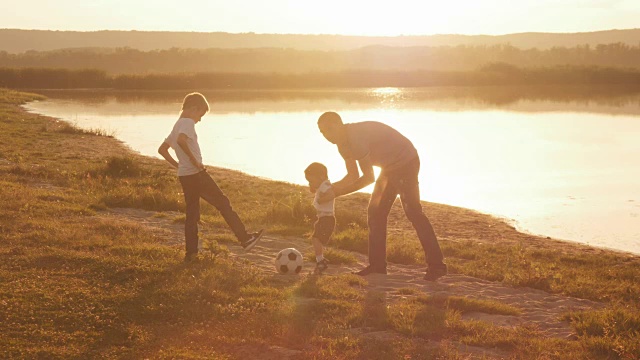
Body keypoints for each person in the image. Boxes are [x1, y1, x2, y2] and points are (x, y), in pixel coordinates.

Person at [316, 111, 447, 281]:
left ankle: (437, 266)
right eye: (322, 132)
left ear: (339, 124)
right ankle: (377, 266)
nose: (326, 135)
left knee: (413, 212)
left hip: (406, 161)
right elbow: (352, 175)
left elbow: (368, 178)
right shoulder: (342, 145)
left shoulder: (355, 138)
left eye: (329, 129)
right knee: (375, 212)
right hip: (388, 167)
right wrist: (331, 190)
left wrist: (336, 193)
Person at [158, 92, 263, 262]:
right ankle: (245, 239)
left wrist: (179, 165)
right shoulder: (187, 123)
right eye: (200, 114)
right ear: (194, 108)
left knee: (192, 215)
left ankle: (191, 254)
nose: (199, 119)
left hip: (185, 175)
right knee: (223, 204)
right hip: (196, 174)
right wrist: (194, 162)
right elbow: (182, 141)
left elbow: (162, 150)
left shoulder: (177, 124)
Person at [304, 162, 336, 274]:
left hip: (327, 219)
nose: (310, 183)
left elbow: (331, 194)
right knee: (316, 239)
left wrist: (322, 199)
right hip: (323, 218)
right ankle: (320, 260)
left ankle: (320, 261)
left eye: (311, 181)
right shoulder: (321, 185)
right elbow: (318, 191)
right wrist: (313, 188)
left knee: (316, 239)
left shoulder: (326, 185)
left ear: (321, 177)